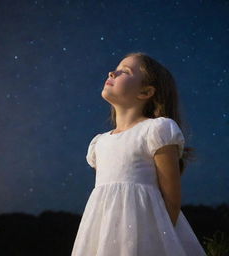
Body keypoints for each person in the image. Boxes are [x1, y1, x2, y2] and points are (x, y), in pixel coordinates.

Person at [71, 52, 207, 255]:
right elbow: (107, 199)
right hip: (105, 236)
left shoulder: (156, 130)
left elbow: (172, 199)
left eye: (124, 71)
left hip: (148, 236)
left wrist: (157, 242)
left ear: (145, 92)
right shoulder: (100, 143)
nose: (112, 72)